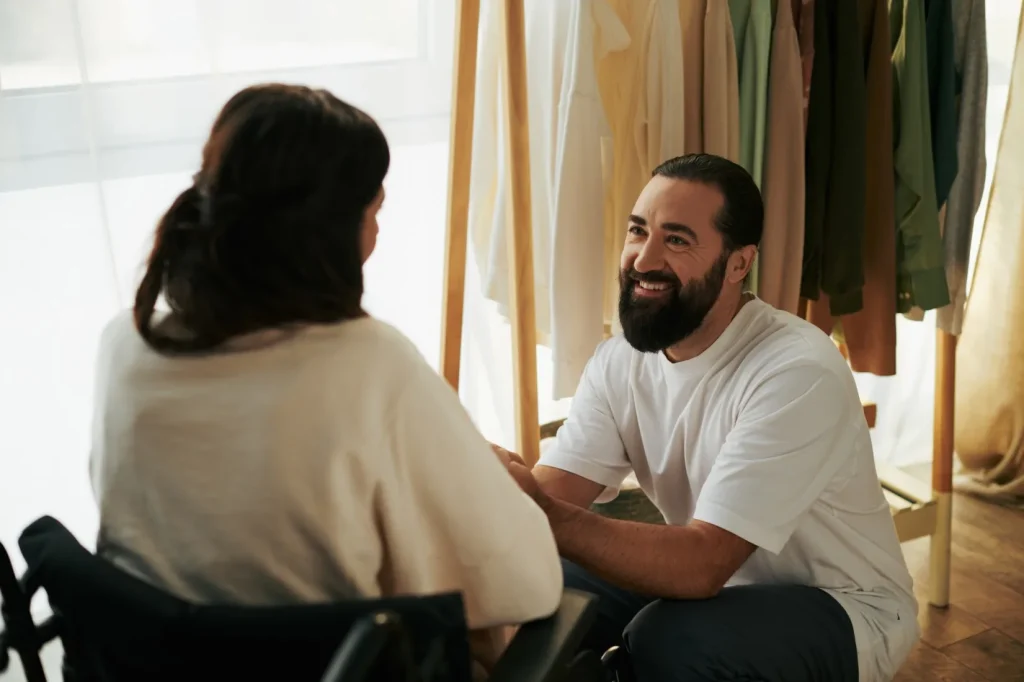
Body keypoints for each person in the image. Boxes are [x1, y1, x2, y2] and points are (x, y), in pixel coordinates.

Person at [88, 84, 562, 669]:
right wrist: (478, 477)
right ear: (332, 232)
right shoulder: (372, 367)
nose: (378, 232)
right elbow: (526, 582)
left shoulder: (124, 345)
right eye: (374, 212)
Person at [495, 154, 920, 682]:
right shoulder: (619, 361)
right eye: (638, 231)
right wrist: (490, 488)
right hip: (714, 584)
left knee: (668, 641)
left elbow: (701, 565)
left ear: (739, 264)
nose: (644, 259)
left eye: (676, 240)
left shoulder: (795, 371)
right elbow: (549, 497)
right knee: (543, 582)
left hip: (846, 609)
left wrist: (546, 515)